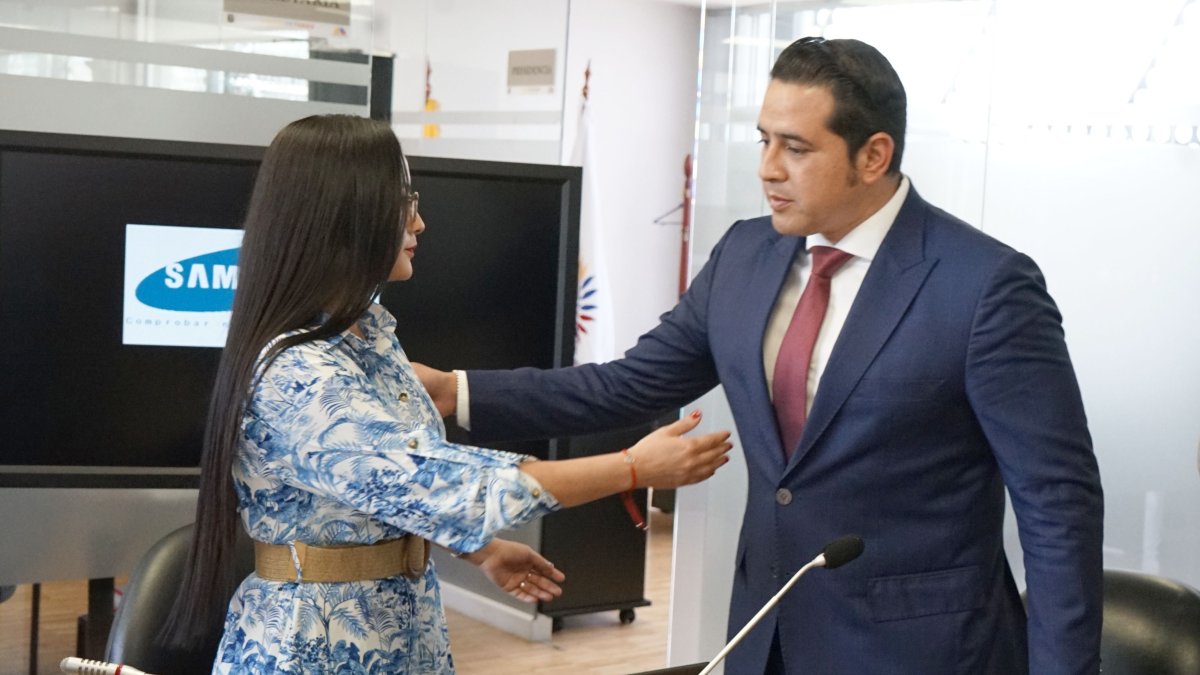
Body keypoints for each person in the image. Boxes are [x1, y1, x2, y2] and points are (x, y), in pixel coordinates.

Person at [417, 37, 1104, 674]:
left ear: (873, 155)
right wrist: (455, 391)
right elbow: (625, 385)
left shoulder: (984, 286)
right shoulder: (746, 254)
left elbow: (1057, 505)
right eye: (764, 140)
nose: (767, 168)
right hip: (768, 629)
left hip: (922, 646)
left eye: (796, 148)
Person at [159, 114, 733, 674]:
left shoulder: (369, 336)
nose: (420, 223)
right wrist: (633, 468)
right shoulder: (299, 374)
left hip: (401, 626)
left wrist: (480, 550)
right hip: (315, 644)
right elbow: (438, 481)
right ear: (349, 213)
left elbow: (386, 496)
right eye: (405, 201)